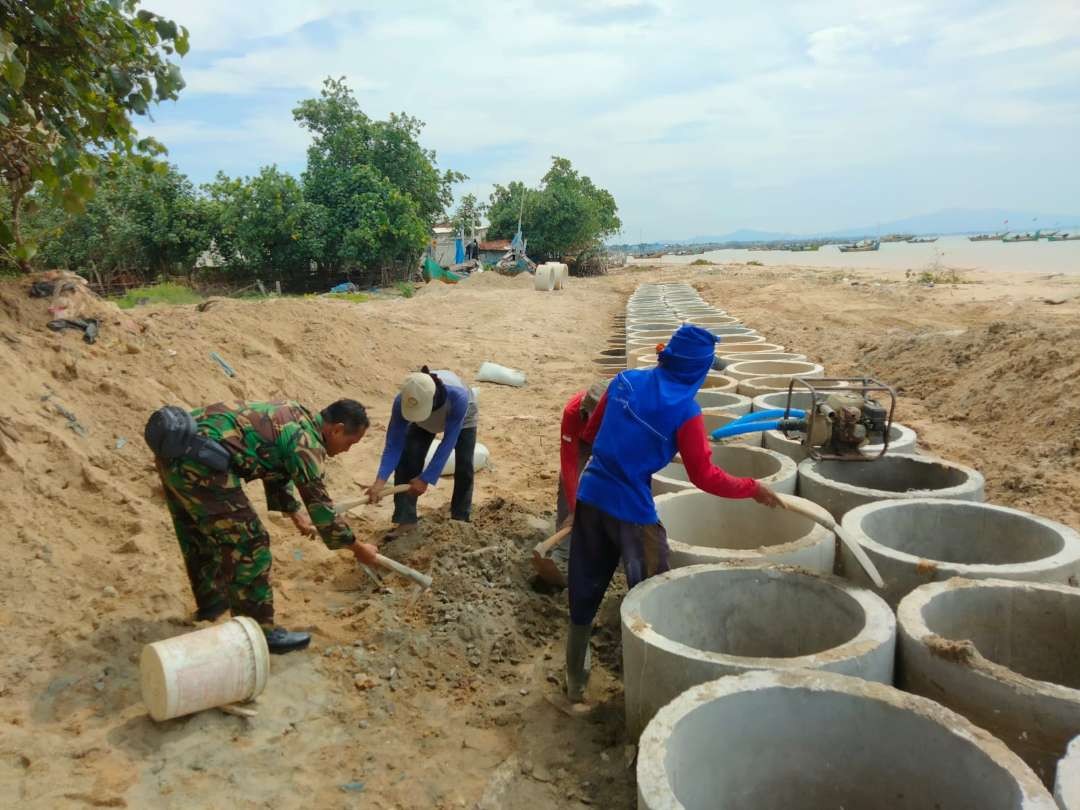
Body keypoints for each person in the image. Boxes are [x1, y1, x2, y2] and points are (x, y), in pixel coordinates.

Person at [564, 324, 781, 702]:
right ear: (698, 370)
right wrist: (752, 488)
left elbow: (594, 433)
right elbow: (705, 477)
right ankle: (651, 682)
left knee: (585, 585)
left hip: (591, 494)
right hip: (630, 510)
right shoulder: (685, 410)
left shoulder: (624, 380)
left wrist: (640, 444)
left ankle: (574, 679)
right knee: (653, 592)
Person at [151, 399, 379, 654]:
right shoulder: (307, 444)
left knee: (199, 532)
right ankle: (260, 632)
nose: (348, 450)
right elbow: (323, 512)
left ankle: (213, 603)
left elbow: (274, 464)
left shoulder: (293, 414)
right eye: (350, 443)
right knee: (250, 543)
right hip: (201, 464)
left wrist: (294, 513)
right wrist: (358, 549)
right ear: (336, 429)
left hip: (173, 449)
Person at [367, 366, 479, 536]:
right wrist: (380, 481)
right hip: (421, 422)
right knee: (407, 460)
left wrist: (426, 478)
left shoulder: (458, 397)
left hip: (463, 416)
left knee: (464, 464)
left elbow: (448, 443)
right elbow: (394, 444)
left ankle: (460, 518)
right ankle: (406, 520)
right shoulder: (403, 401)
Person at [539, 380, 609, 585]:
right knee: (566, 484)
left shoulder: (618, 414)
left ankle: (608, 543)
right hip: (581, 441)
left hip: (608, 442)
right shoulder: (573, 411)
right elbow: (569, 463)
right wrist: (573, 508)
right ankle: (563, 548)